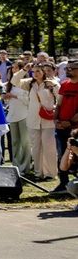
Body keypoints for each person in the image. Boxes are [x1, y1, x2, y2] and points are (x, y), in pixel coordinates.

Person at [53, 60, 78, 193]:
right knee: (62, 154)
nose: (67, 71)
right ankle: (63, 183)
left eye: (71, 69)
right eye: (67, 68)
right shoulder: (64, 85)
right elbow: (59, 104)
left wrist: (70, 121)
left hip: (75, 129)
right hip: (61, 126)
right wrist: (56, 119)